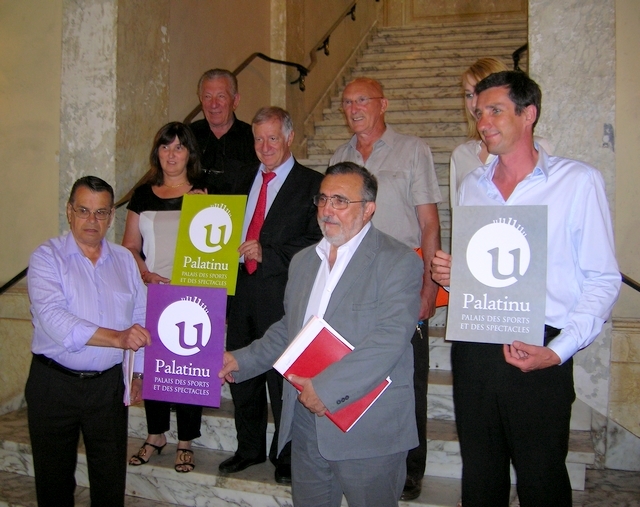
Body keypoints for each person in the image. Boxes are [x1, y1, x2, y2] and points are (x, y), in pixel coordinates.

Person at [431, 71, 621, 507]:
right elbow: (484, 275)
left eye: (495, 111)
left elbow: (603, 278)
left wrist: (558, 351)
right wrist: (456, 278)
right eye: (479, 112)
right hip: (476, 346)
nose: (483, 122)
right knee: (480, 476)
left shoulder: (577, 182)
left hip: (540, 346)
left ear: (528, 114)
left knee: (542, 479)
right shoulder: (472, 185)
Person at [219, 162, 423, 507]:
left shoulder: (398, 260)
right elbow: (291, 329)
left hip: (367, 425)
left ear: (368, 209)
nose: (327, 209)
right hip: (306, 422)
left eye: (340, 201)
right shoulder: (303, 262)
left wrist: (326, 390)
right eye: (323, 199)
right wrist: (240, 359)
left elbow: (389, 340)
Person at [329, 77, 441, 501]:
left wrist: (429, 287)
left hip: (400, 281)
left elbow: (429, 223)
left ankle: (411, 468)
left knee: (408, 378)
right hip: (351, 285)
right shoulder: (339, 157)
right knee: (356, 370)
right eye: (346, 102)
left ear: (383, 104)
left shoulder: (413, 150)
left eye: (362, 100)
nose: (353, 108)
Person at [25, 176, 151, 507]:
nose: (92, 220)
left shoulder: (125, 260)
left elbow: (141, 315)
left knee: (110, 481)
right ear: (69, 212)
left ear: (111, 216)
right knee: (53, 484)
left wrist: (138, 372)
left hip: (108, 387)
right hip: (54, 385)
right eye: (83, 210)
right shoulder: (46, 257)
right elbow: (55, 319)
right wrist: (118, 338)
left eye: (101, 212)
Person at [217, 107, 323, 484]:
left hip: (283, 297)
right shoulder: (239, 178)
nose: (265, 147)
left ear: (290, 138)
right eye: (258, 139)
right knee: (240, 372)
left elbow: (319, 241)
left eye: (273, 138)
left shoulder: (313, 184)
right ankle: (249, 448)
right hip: (239, 293)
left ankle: (286, 454)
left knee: (283, 379)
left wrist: (270, 253)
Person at [122, 121, 206, 473]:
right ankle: (155, 434)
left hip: (193, 293)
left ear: (189, 154)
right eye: (165, 146)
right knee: (155, 366)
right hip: (152, 292)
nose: (172, 154)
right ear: (157, 152)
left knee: (188, 368)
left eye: (179, 147)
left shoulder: (205, 192)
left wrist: (205, 208)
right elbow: (130, 246)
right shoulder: (142, 194)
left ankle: (185, 441)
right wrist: (146, 274)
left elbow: (218, 245)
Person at [449, 57, 553, 206]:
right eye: (469, 95)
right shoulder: (461, 154)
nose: (474, 103)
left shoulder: (538, 146)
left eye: (480, 91)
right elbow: (459, 212)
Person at [189, 68, 259, 193]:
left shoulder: (252, 138)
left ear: (235, 100)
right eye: (207, 97)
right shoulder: (188, 136)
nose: (213, 104)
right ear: (201, 100)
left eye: (221, 96)